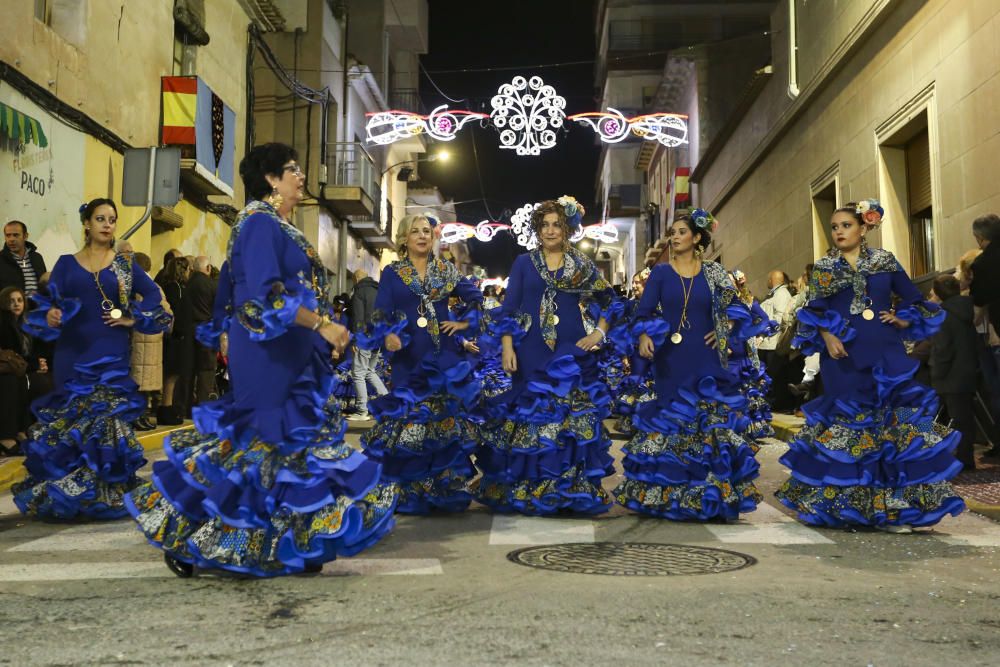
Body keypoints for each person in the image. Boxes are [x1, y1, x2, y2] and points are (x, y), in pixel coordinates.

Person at [126, 143, 396, 577]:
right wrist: (320, 325)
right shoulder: (256, 222)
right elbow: (263, 296)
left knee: (294, 444)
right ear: (271, 179)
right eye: (293, 169)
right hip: (266, 347)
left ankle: (294, 539)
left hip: (292, 345)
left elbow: (290, 291)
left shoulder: (282, 226)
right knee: (259, 438)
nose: (301, 176)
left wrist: (325, 328)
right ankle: (186, 533)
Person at [776, 200, 965, 531]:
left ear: (863, 228)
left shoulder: (885, 261)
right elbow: (814, 311)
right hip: (842, 357)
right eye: (834, 227)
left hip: (884, 351)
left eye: (846, 225)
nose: (839, 232)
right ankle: (849, 507)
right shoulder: (824, 267)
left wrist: (902, 318)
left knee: (886, 428)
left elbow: (912, 298)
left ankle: (891, 511)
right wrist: (828, 337)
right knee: (849, 427)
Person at [12, 198, 172, 519]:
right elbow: (47, 301)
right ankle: (72, 493)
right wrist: (53, 313)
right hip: (72, 352)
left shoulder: (124, 265)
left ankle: (103, 492)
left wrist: (131, 317)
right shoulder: (66, 264)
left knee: (105, 420)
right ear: (87, 223)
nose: (107, 224)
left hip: (111, 351)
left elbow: (153, 294)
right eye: (100, 218)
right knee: (73, 421)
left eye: (112, 219)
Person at [476, 197, 620, 515]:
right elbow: (510, 308)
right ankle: (529, 488)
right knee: (531, 416)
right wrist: (508, 346)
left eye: (557, 224)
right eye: (545, 225)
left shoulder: (581, 264)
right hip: (529, 350)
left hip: (570, 351)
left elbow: (610, 300)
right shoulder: (524, 263)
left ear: (567, 228)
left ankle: (565, 489)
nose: (551, 230)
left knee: (568, 420)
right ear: (537, 230)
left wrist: (598, 333)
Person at [614, 210, 761, 520]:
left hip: (706, 356)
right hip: (670, 356)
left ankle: (707, 492)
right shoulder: (661, 273)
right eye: (673, 232)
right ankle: (670, 494)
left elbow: (740, 309)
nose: (674, 236)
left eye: (681, 231)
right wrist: (643, 337)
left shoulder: (715, 273)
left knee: (705, 418)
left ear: (697, 238)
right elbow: (642, 313)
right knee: (672, 417)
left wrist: (723, 330)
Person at [358, 214, 484, 514]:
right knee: (411, 422)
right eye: (415, 231)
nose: (422, 236)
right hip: (407, 359)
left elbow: (477, 297)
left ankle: (441, 489)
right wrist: (388, 334)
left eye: (427, 231)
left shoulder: (446, 271)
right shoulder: (392, 272)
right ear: (404, 239)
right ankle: (409, 492)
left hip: (442, 359)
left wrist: (463, 324)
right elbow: (381, 312)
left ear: (433, 238)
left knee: (440, 424)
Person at [928, 275, 978, 470]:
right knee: (964, 418)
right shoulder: (967, 310)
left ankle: (957, 459)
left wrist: (936, 372)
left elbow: (943, 350)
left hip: (949, 375)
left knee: (949, 418)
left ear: (939, 294)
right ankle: (965, 456)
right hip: (967, 370)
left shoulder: (943, 316)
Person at [0, 286, 52, 454]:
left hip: (20, 370)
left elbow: (28, 354)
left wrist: (40, 363)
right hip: (7, 370)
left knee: (40, 381)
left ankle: (24, 430)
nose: (16, 304)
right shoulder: (4, 324)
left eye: (19, 300)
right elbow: (11, 356)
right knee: (14, 383)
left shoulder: (25, 324)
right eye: (11, 301)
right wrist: (35, 365)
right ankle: (6, 438)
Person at [729, 269, 779, 441]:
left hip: (745, 351)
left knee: (746, 388)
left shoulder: (748, 301)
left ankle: (748, 429)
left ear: (737, 283)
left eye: (730, 281)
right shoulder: (718, 303)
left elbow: (765, 320)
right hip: (725, 351)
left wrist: (759, 335)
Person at [129, 252, 172, 431]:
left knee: (139, 381)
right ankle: (141, 416)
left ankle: (139, 416)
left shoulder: (136, 287)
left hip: (140, 339)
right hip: (151, 339)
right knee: (143, 383)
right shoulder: (153, 287)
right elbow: (166, 310)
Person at [346, 269, 388, 420]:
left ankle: (361, 411)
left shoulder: (359, 292)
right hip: (378, 338)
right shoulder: (380, 291)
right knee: (370, 371)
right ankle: (388, 402)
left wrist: (356, 339)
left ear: (356, 279)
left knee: (358, 374)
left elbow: (358, 318)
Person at [159, 256, 194, 424]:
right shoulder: (177, 288)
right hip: (176, 337)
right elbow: (178, 312)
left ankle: (168, 407)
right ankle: (166, 409)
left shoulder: (168, 286)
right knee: (171, 375)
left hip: (171, 336)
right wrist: (180, 332)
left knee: (171, 375)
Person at [188, 256, 218, 405]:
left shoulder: (187, 283)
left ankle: (186, 406)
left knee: (189, 371)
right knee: (206, 370)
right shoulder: (212, 285)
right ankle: (203, 403)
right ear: (208, 268)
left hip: (189, 331)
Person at [1, 220, 47, 295]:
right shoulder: (1, 259)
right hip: (13, 305)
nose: (11, 239)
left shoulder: (37, 258)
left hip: (39, 304)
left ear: (25, 236)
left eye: (16, 235)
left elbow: (43, 284)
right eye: (8, 235)